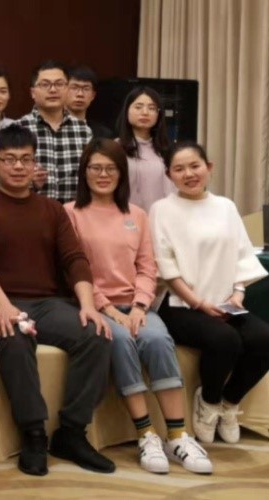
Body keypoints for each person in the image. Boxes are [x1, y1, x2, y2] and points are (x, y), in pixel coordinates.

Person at [0, 124, 113, 477]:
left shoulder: (52, 210)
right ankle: (33, 433)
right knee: (14, 339)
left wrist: (87, 305)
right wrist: (3, 305)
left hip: (48, 303)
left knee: (96, 334)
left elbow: (75, 259)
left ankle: (72, 433)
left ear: (35, 164)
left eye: (26, 159)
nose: (18, 166)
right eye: (9, 159)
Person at [64, 139, 212, 475]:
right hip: (94, 306)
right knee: (119, 340)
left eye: (111, 168)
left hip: (136, 305)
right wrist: (108, 309)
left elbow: (147, 267)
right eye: (96, 168)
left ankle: (178, 436)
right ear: (84, 172)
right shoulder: (70, 213)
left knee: (158, 340)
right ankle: (146, 434)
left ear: (121, 173)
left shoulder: (137, 214)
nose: (103, 174)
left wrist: (140, 306)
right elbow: (74, 269)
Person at [150, 142, 269, 445]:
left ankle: (229, 403)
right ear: (169, 175)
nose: (188, 174)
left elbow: (241, 254)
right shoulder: (162, 210)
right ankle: (208, 402)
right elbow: (166, 267)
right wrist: (199, 303)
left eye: (194, 166)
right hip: (180, 304)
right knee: (225, 339)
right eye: (179, 169)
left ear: (209, 167)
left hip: (225, 302)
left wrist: (238, 294)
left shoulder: (226, 207)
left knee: (268, 341)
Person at [13, 60, 93, 203]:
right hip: (31, 211)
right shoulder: (17, 129)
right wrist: (29, 182)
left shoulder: (84, 131)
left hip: (73, 213)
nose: (53, 90)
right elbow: (3, 179)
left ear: (67, 89)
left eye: (59, 84)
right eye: (45, 84)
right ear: (33, 92)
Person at [117, 87, 175, 211]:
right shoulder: (115, 148)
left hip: (162, 216)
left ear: (158, 115)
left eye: (152, 108)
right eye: (138, 107)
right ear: (127, 111)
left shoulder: (169, 150)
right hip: (127, 216)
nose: (145, 112)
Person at [65, 66, 113, 139]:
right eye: (74, 88)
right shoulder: (52, 127)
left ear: (93, 95)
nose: (80, 94)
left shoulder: (103, 134)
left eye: (86, 89)